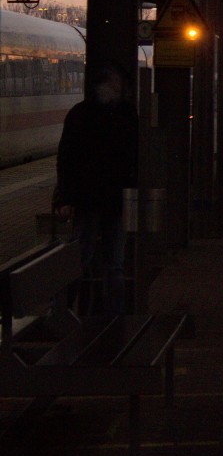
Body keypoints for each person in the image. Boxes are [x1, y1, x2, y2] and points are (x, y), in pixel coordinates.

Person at [51, 61, 138, 316]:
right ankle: (114, 316)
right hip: (113, 201)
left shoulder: (80, 114)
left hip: (88, 199)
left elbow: (66, 158)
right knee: (114, 263)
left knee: (80, 257)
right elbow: (134, 157)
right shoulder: (127, 115)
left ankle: (61, 311)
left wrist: (65, 198)